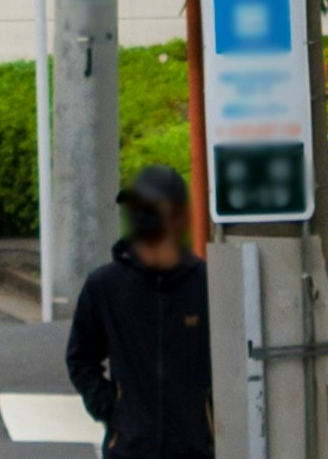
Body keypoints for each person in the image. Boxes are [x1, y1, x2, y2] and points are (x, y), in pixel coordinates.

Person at [68, 164, 213, 459]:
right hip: (128, 450)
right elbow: (81, 359)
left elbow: (231, 362)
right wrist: (113, 409)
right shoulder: (105, 286)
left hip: (194, 451)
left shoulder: (206, 284)